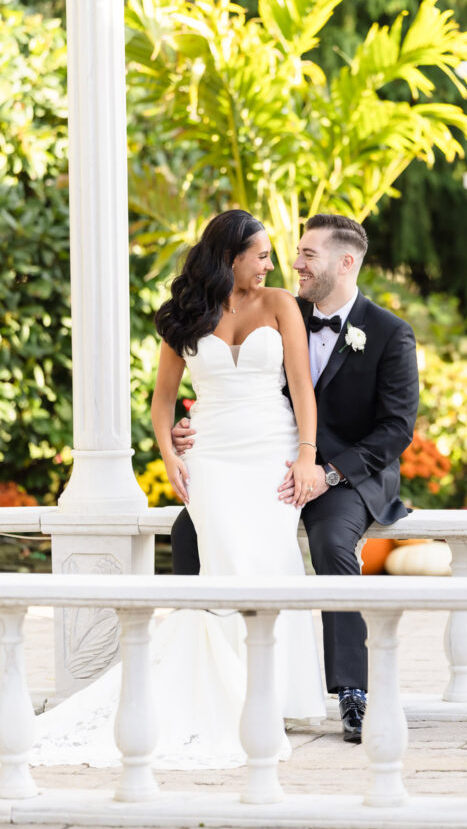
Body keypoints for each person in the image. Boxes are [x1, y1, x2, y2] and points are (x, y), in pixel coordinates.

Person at [30, 209, 326, 768]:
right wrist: (170, 455)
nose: (269, 264)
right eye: (260, 255)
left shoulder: (283, 304)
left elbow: (302, 389)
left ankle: (276, 695)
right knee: (224, 565)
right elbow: (162, 401)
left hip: (273, 451)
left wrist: (307, 458)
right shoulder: (185, 315)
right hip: (210, 456)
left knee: (270, 562)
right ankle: (233, 697)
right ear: (229, 256)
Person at [171, 213, 420, 742]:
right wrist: (185, 429)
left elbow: (396, 430)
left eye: (308, 254)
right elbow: (226, 379)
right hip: (266, 458)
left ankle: (353, 691)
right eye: (296, 253)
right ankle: (206, 677)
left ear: (345, 262)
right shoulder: (273, 303)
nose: (294, 262)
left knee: (332, 544)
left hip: (344, 474)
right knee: (185, 533)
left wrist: (326, 471)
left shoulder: (389, 333)